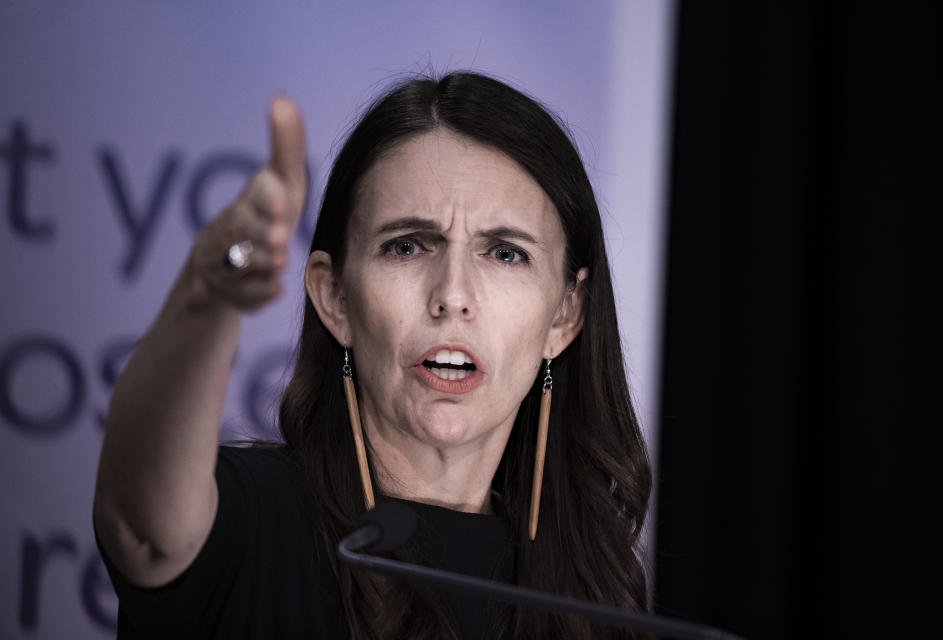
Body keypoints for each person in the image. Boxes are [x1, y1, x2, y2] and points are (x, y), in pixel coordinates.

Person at [93, 71, 653, 639]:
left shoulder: (596, 592)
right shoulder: (255, 520)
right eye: (406, 246)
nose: (453, 296)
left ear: (564, 315)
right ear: (335, 298)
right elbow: (140, 522)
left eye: (505, 253)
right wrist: (207, 293)